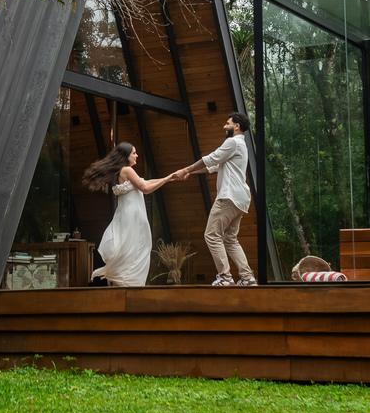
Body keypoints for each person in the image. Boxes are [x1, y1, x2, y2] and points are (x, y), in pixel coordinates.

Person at [173, 113, 256, 286]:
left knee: (211, 235)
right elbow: (215, 165)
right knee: (230, 239)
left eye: (227, 124)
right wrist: (189, 172)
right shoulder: (241, 145)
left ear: (237, 126)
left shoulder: (232, 142)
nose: (224, 127)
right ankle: (248, 279)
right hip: (240, 199)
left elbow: (210, 159)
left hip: (229, 196)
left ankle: (225, 278)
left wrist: (184, 169)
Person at [84, 142, 178, 287]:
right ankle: (130, 283)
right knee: (135, 249)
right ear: (126, 156)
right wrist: (166, 179)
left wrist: (169, 178)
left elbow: (144, 182)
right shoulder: (127, 170)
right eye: (134, 153)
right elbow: (145, 188)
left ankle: (124, 283)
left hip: (126, 216)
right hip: (132, 217)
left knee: (129, 249)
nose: (137, 155)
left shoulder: (119, 172)